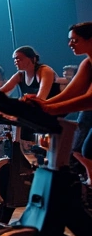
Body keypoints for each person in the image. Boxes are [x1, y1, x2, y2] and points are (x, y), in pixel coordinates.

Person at [24, 23, 92, 183]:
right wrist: (41, 104)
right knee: (79, 150)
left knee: (88, 150)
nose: (70, 44)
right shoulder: (87, 63)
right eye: (70, 40)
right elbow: (71, 92)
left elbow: (89, 99)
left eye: (75, 40)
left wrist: (49, 108)